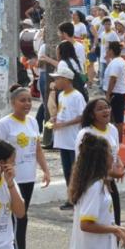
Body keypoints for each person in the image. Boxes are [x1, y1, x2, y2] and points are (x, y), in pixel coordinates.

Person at [0, 86, 51, 249]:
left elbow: (37, 149)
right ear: (12, 103)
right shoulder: (4, 124)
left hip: (28, 179)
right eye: (22, 100)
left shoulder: (33, 122)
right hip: (10, 181)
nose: (26, 104)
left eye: (29, 100)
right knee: (18, 221)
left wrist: (46, 170)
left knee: (20, 221)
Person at [49, 65, 86, 210]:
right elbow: (61, 113)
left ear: (65, 79)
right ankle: (71, 198)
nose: (55, 82)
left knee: (75, 171)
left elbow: (82, 116)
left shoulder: (77, 96)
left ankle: (77, 198)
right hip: (62, 140)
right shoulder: (61, 95)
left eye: (57, 79)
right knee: (67, 171)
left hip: (72, 140)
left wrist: (64, 124)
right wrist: (55, 119)